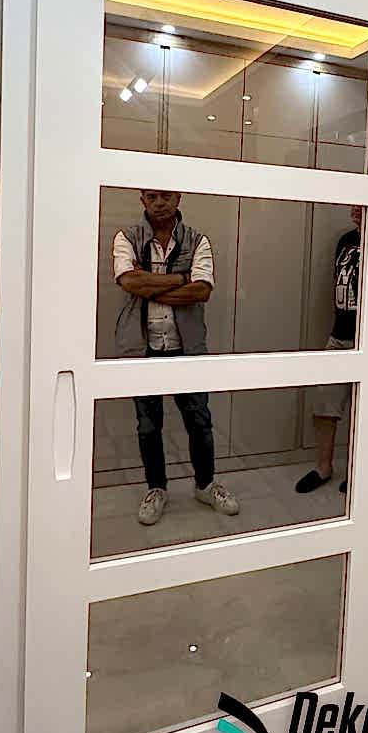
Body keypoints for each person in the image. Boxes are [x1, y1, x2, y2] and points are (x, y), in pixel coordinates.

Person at [113, 190, 239, 526]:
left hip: (187, 348)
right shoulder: (127, 237)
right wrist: (181, 279)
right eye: (152, 196)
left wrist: (149, 284)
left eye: (166, 196)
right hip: (142, 348)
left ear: (178, 198)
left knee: (199, 421)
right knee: (148, 425)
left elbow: (202, 291)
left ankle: (205, 485)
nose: (160, 203)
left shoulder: (198, 241)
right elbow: (128, 281)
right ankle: (156, 488)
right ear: (142, 200)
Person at [295, 205, 361, 495]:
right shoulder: (346, 240)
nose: (355, 209)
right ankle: (324, 467)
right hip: (339, 335)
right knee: (324, 402)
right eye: (353, 204)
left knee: (364, 410)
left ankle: (359, 471)